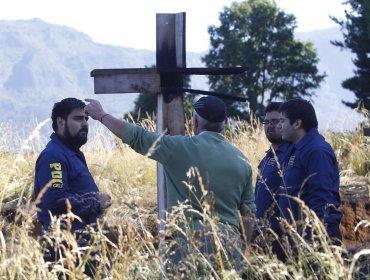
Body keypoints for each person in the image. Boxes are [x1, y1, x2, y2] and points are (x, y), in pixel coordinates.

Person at [84, 96, 256, 274]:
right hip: (229, 244)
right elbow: (249, 213)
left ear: (194, 121)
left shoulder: (179, 148)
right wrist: (243, 247)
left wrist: (101, 115)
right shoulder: (242, 159)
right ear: (225, 123)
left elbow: (137, 136)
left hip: (189, 242)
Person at [34, 97, 112, 277]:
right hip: (65, 249)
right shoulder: (54, 156)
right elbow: (55, 200)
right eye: (78, 119)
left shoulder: (70, 154)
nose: (85, 124)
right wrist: (96, 201)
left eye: (86, 119)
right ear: (60, 122)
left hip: (81, 247)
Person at [277, 99, 342, 244]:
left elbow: (322, 197)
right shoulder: (296, 149)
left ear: (297, 123)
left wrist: (314, 236)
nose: (278, 126)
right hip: (296, 236)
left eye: (282, 121)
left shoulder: (316, 151)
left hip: (314, 238)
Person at [255, 102, 292, 227]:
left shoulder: (292, 155)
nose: (269, 125)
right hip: (263, 234)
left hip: (282, 234)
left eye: (275, 121)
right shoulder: (267, 158)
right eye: (266, 122)